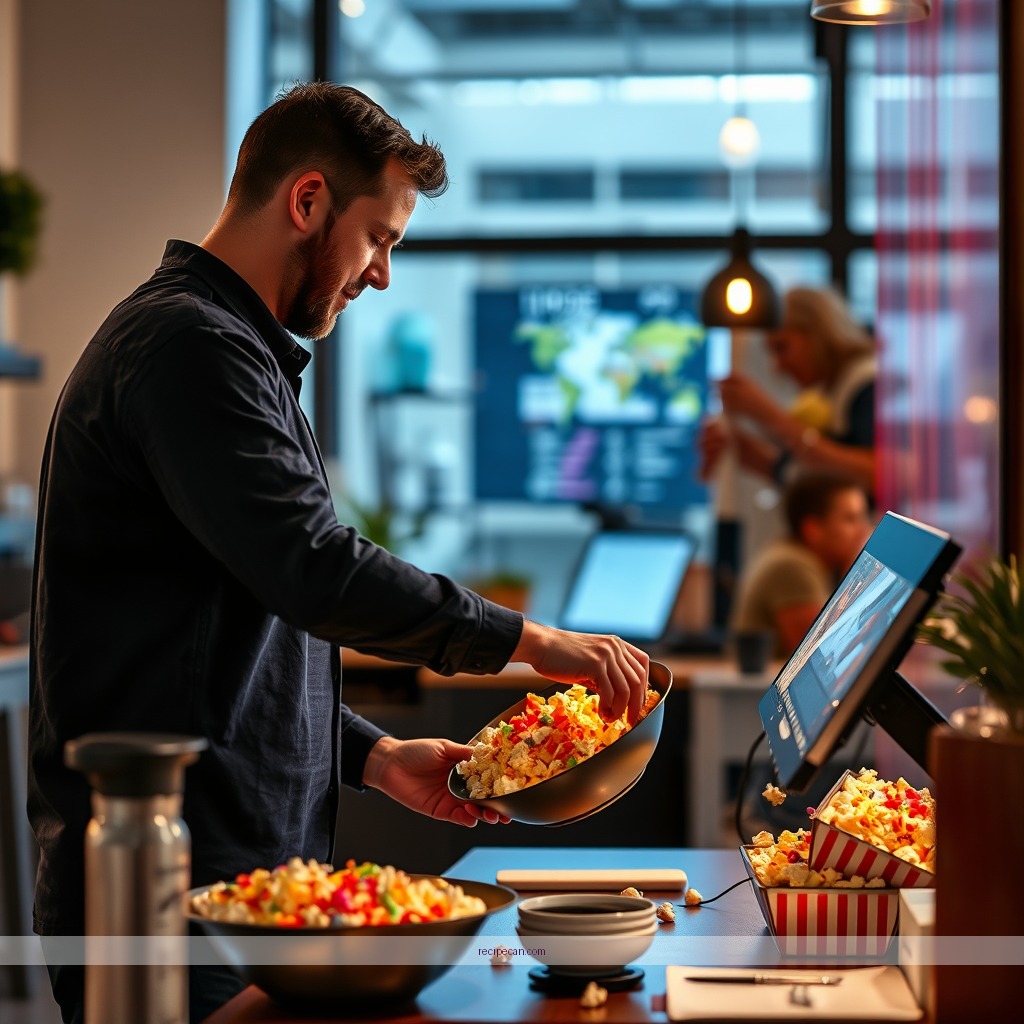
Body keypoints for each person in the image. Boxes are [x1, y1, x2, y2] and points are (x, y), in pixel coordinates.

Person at [28, 82, 650, 1024]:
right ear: (308, 201)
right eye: (381, 238)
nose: (383, 274)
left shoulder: (231, 348)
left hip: (233, 880)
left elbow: (246, 632)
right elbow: (315, 570)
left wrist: (374, 756)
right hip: (168, 893)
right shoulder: (190, 349)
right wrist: (535, 641)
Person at [699, 285, 876, 496]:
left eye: (782, 347)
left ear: (817, 332)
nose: (778, 365)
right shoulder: (834, 391)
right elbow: (827, 477)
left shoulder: (868, 383)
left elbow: (879, 475)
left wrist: (772, 417)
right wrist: (744, 451)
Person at [729, 471, 873, 659]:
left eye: (864, 517)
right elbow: (824, 655)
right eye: (850, 519)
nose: (863, 530)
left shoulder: (790, 553)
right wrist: (859, 573)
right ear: (813, 529)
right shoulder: (792, 566)